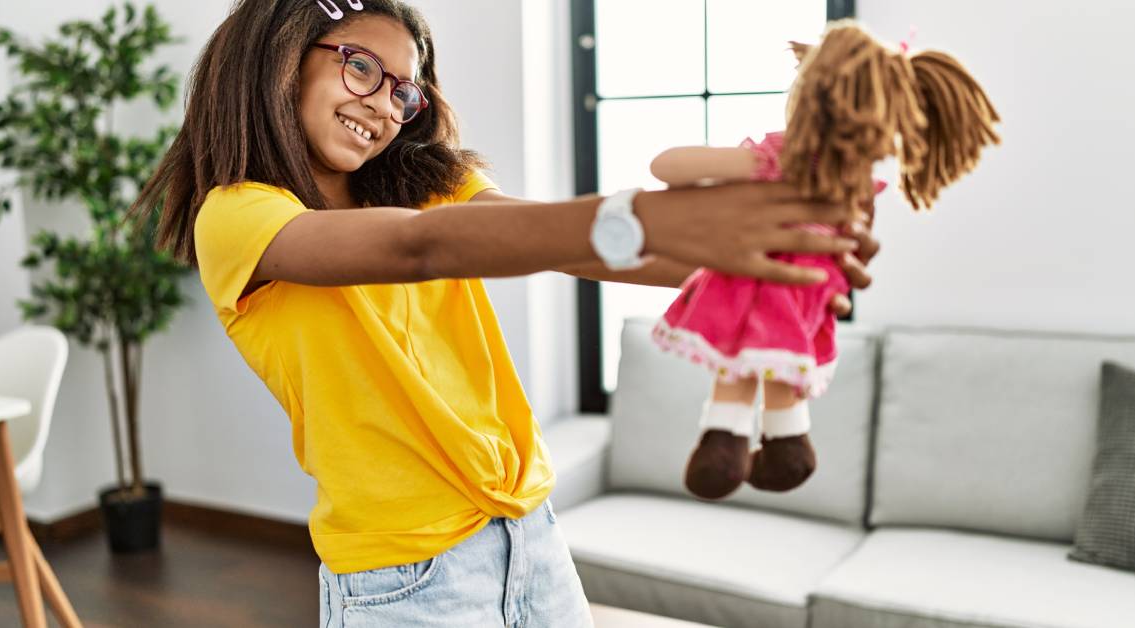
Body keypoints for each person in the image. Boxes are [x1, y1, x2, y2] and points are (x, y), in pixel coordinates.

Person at [129, 1, 880, 625]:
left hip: (529, 532)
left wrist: (770, 257)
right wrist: (651, 217)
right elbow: (419, 250)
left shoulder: (426, 180)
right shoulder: (236, 217)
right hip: (404, 578)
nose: (384, 106)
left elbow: (560, 241)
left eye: (402, 91)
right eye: (361, 67)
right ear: (282, 54)